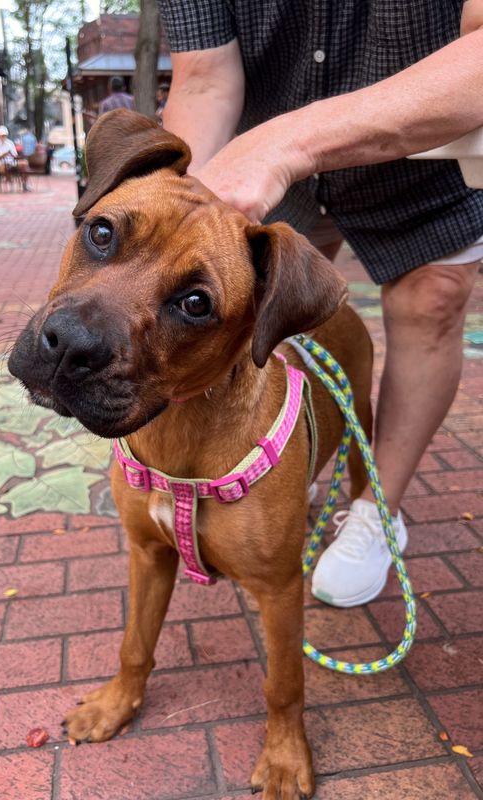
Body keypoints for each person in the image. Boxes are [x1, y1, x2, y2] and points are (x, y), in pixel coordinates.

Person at [158, 1, 483, 607]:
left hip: (421, 149)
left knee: (434, 298)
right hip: (263, 165)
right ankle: (290, 462)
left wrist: (288, 143)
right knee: (263, 319)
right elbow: (203, 78)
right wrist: (175, 220)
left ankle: (376, 510)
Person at [0, 125, 30, 191]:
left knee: (24, 163)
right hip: (0, 164)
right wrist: (3, 155)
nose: (3, 137)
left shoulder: (10, 143)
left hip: (11, 162)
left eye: (4, 135)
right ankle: (11, 184)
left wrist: (12, 155)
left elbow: (15, 155)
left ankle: (25, 184)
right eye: (1, 135)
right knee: (6, 166)